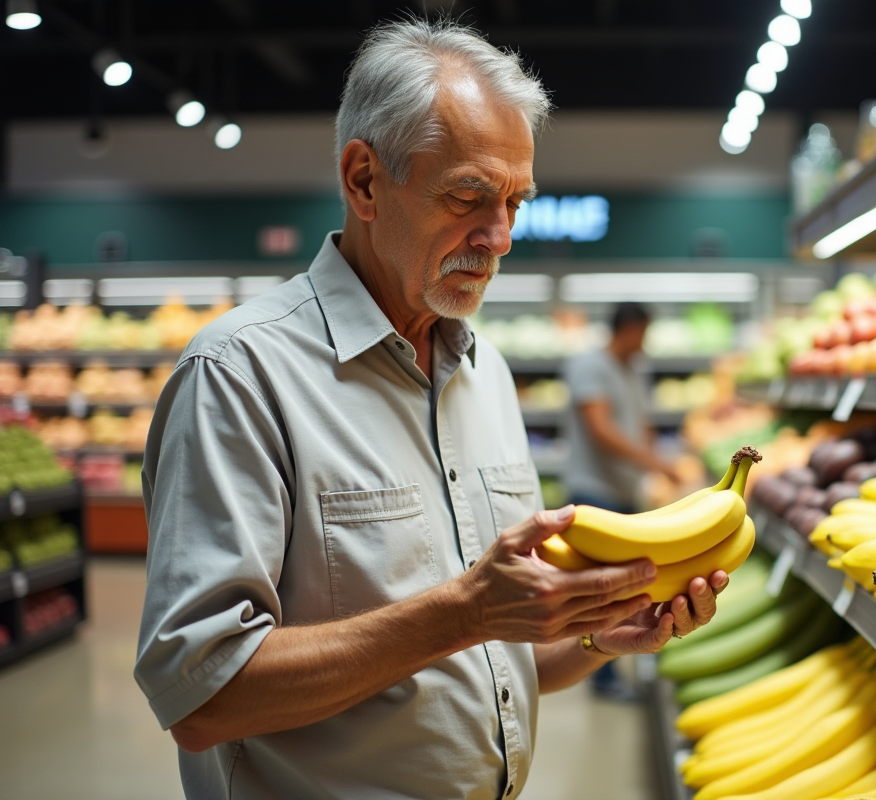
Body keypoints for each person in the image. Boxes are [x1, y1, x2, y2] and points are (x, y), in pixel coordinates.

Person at [133, 19, 727, 800]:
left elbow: (499, 654)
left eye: (516, 201)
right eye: (470, 196)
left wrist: (595, 635)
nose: (502, 236)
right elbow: (202, 695)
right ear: (365, 181)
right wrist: (465, 612)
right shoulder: (239, 377)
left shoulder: (488, 375)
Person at [561, 302, 682, 699]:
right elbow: (601, 430)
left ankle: (613, 667)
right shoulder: (589, 367)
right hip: (593, 493)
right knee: (598, 592)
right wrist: (655, 463)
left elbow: (642, 423)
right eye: (642, 334)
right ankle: (600, 677)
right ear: (627, 330)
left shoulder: (634, 370)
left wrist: (653, 471)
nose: (644, 344)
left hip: (624, 492)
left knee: (625, 591)